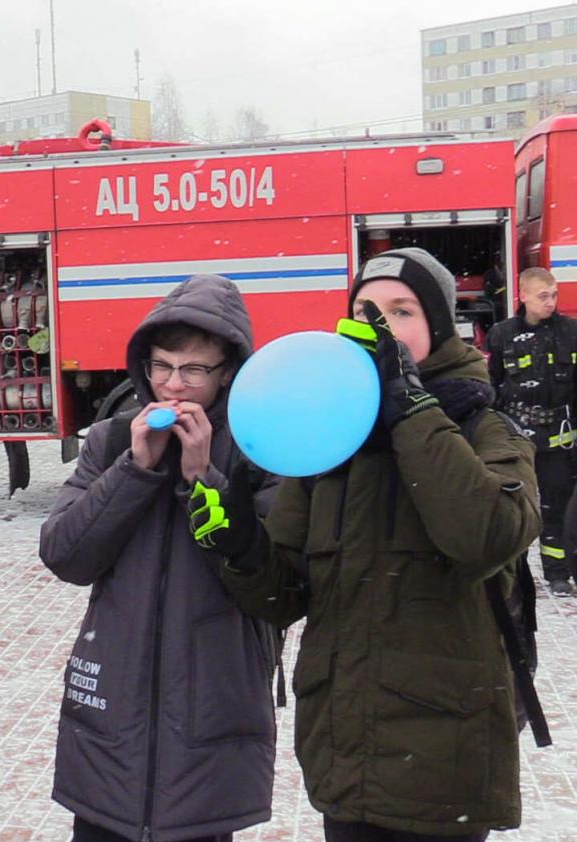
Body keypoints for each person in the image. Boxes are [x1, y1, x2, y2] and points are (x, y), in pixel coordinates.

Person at [197, 248, 540, 841]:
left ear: (437, 326)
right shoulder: (331, 444)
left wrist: (410, 406)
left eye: (401, 312)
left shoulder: (485, 427)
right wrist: (240, 543)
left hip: (443, 762)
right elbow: (284, 596)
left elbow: (485, 536)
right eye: (365, 311)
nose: (380, 328)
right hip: (345, 753)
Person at [38, 274, 279, 842]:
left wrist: (204, 482)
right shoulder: (112, 440)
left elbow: (274, 584)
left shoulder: (259, 448)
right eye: (162, 366)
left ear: (227, 374)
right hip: (112, 714)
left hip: (212, 711)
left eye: (193, 371)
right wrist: (135, 470)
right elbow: (65, 554)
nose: (173, 386)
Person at [486, 266, 577, 595]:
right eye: (543, 296)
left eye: (554, 295)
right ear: (523, 296)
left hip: (559, 440)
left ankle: (557, 573)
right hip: (516, 438)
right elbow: (493, 385)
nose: (550, 302)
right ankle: (514, 572)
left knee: (556, 506)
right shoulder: (502, 334)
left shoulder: (570, 332)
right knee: (515, 508)